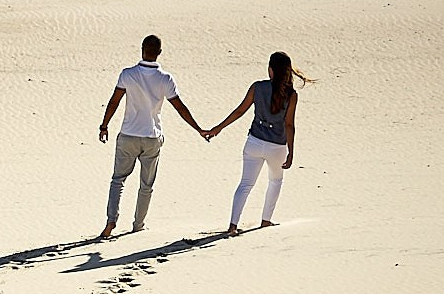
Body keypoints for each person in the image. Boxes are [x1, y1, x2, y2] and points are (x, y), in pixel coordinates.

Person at [97, 35, 210, 238]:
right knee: (146, 185)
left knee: (118, 180)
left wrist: (104, 126)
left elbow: (114, 102)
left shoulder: (127, 74)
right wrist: (198, 129)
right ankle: (138, 224)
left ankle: (111, 221)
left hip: (128, 135)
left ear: (142, 49)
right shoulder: (165, 79)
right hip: (151, 137)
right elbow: (180, 107)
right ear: (159, 52)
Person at [206, 51, 306, 234]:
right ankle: (266, 221)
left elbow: (239, 111)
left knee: (245, 184)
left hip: (254, 142)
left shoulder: (257, 87)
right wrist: (291, 151)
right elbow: (289, 125)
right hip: (277, 146)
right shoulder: (291, 95)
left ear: (271, 70)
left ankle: (233, 225)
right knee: (275, 181)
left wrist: (218, 128)